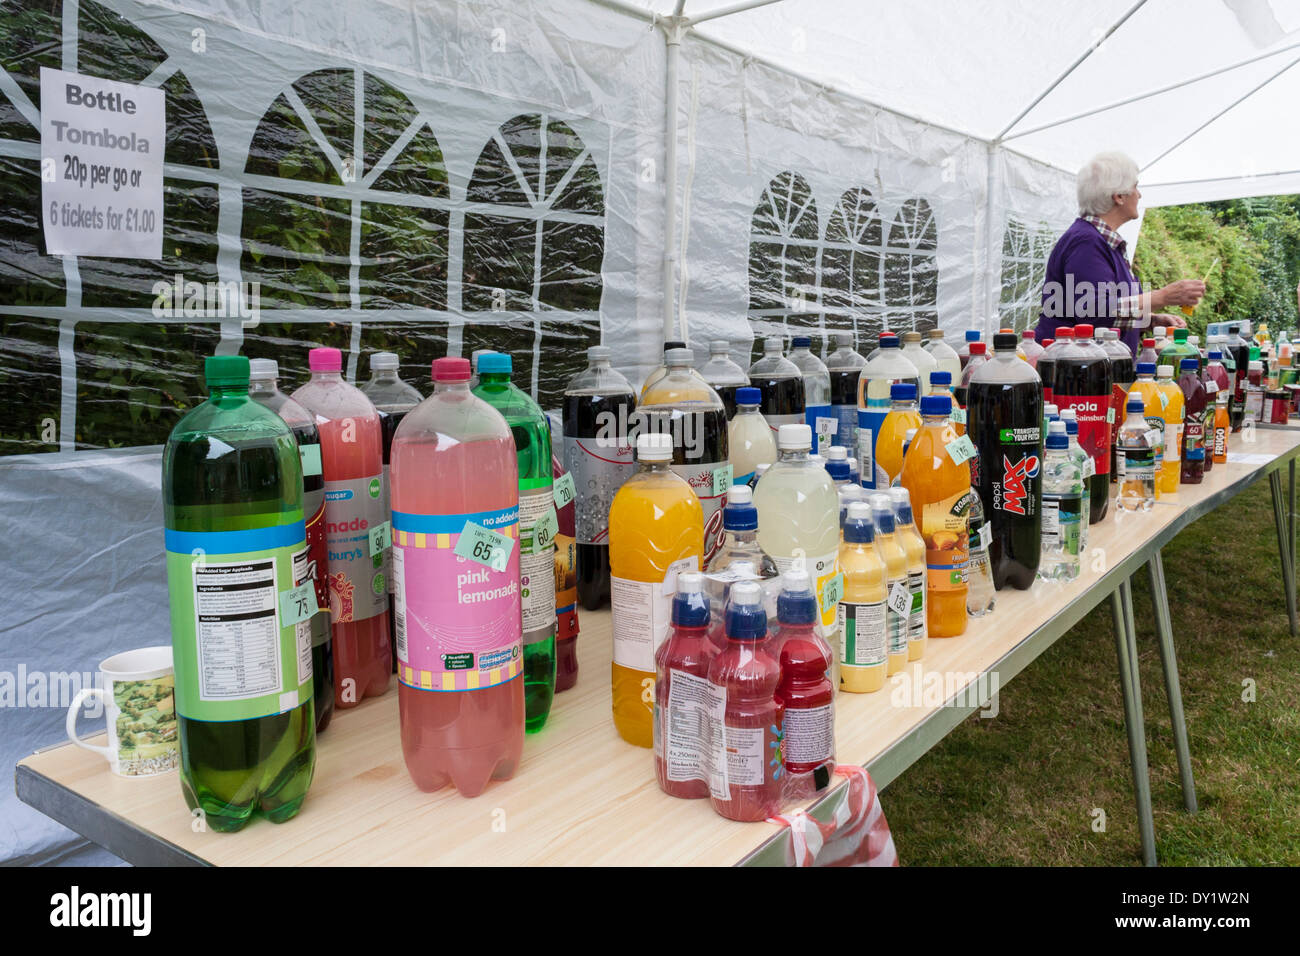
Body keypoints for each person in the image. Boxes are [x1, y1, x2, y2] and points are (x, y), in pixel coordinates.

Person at [1034, 151, 1204, 353]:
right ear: (1119, 196)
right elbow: (1094, 312)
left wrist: (1149, 321)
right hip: (1074, 370)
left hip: (1090, 364)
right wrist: (1163, 297)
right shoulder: (1086, 242)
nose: (1139, 195)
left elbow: (1111, 312)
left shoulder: (1102, 242)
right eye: (1135, 187)